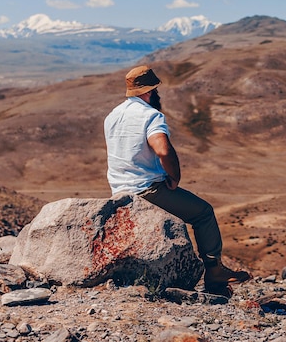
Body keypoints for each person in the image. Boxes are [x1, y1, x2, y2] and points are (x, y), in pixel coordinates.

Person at [104, 65, 251, 296]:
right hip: (146, 189)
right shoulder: (150, 115)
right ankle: (214, 272)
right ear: (151, 91)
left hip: (117, 191)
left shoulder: (112, 116)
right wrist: (174, 177)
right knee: (203, 213)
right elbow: (163, 149)